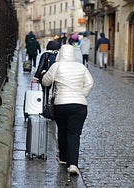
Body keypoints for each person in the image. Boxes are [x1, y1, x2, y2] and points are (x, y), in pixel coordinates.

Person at [42, 44, 94, 175]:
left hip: (61, 104)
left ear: (60, 53)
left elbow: (45, 82)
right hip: (80, 105)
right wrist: (81, 94)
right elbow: (90, 83)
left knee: (62, 131)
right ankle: (73, 164)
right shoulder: (81, 67)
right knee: (74, 134)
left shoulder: (56, 66)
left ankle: (64, 158)